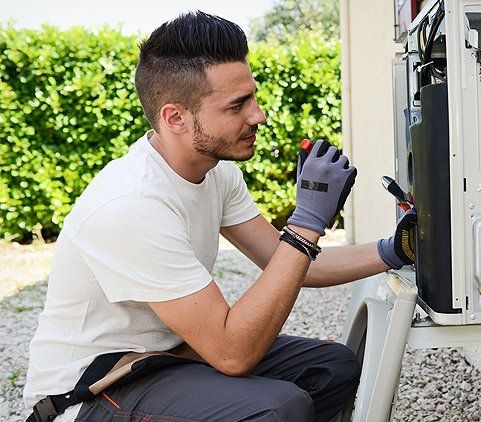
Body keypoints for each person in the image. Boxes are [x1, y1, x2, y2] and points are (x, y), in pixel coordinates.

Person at [23, 11, 416, 422]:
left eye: (253, 96)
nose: (258, 115)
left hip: (170, 356)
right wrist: (306, 223)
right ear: (175, 118)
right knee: (279, 408)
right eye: (237, 105)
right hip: (94, 390)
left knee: (331, 367)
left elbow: (298, 265)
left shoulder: (216, 171)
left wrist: (397, 249)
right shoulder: (132, 205)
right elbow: (233, 353)